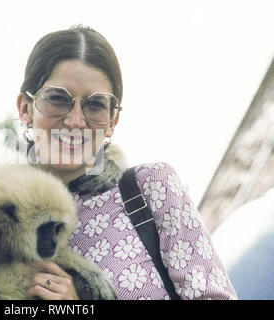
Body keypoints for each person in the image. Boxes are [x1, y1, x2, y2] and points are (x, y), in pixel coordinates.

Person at [16, 25, 237, 300]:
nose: (75, 120)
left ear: (112, 121)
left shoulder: (148, 188)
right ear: (25, 108)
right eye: (59, 99)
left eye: (95, 104)